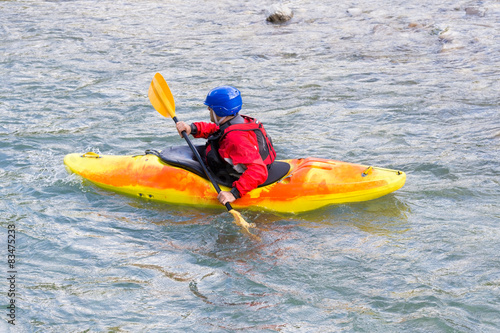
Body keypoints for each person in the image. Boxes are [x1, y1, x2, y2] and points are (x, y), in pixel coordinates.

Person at [176, 86, 276, 205]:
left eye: (210, 107)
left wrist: (234, 193)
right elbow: (217, 130)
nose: (208, 109)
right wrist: (192, 128)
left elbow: (258, 170)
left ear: (219, 110)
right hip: (252, 162)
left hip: (246, 175)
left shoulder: (236, 139)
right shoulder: (239, 121)